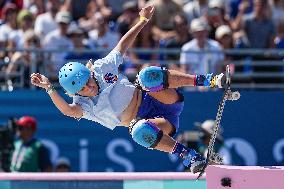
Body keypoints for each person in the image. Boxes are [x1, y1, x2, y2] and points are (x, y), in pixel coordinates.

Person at [30, 5, 226, 173]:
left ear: (89, 73)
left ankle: (210, 80)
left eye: (88, 80)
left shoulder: (100, 68)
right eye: (83, 88)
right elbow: (66, 110)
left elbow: (121, 46)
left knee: (146, 75)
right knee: (137, 130)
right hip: (160, 122)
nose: (90, 86)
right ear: (76, 93)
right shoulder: (84, 106)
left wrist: (142, 21)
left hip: (161, 99)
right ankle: (189, 156)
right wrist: (49, 88)